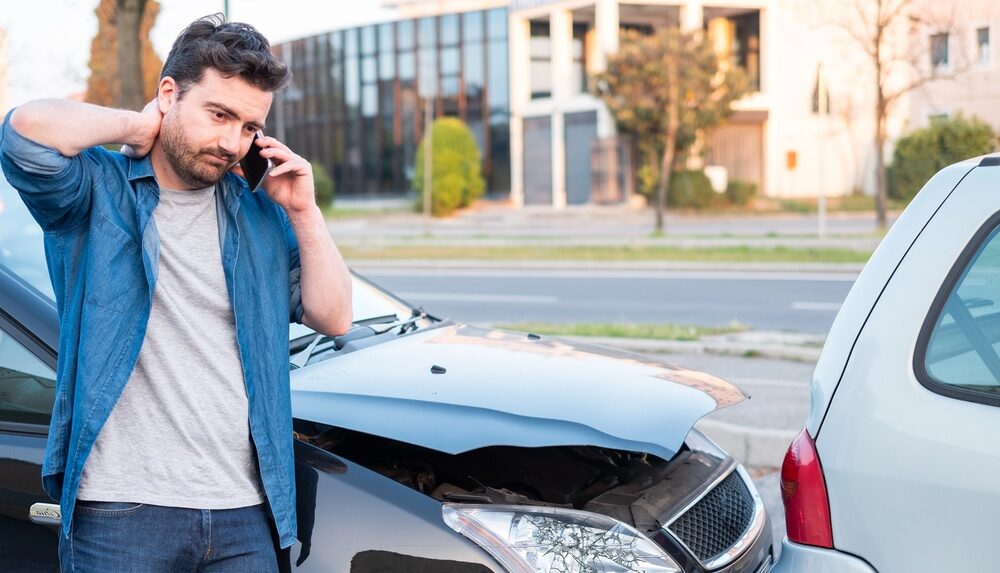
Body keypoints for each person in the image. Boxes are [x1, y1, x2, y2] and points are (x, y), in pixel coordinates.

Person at [0, 14, 352, 572]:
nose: (231, 142)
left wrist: (305, 212)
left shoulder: (261, 215)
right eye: (218, 114)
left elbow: (333, 317)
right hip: (121, 511)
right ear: (169, 93)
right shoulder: (97, 191)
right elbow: (23, 132)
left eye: (247, 126)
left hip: (244, 512)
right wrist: (136, 128)